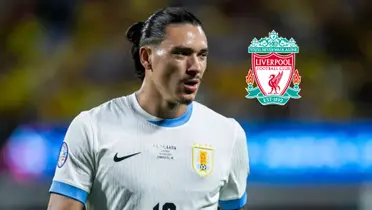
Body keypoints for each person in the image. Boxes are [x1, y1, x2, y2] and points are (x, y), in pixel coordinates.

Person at [47, 7, 249, 210]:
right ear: (146, 57)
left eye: (202, 55)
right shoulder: (91, 128)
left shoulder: (228, 134)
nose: (195, 66)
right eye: (181, 53)